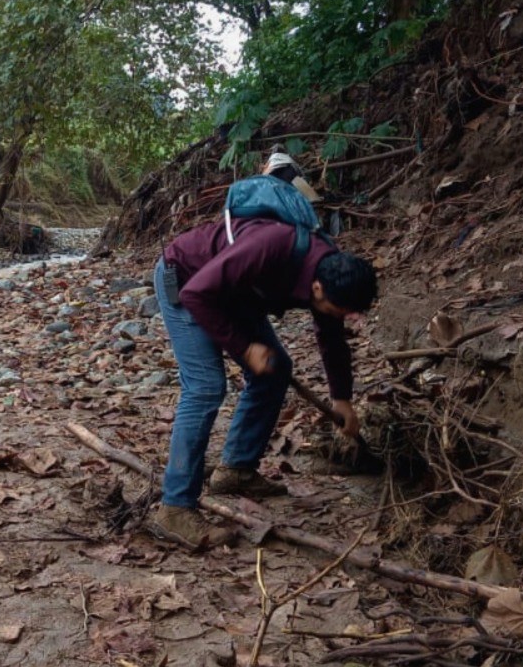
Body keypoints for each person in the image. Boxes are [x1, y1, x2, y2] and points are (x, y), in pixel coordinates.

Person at [149, 196, 377, 550]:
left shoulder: (331, 270)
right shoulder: (269, 247)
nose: (337, 317)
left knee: (276, 370)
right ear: (317, 288)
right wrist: (244, 347)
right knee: (206, 387)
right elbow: (196, 294)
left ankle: (236, 469)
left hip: (235, 292)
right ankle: (174, 508)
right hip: (186, 279)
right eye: (336, 310)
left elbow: (332, 338)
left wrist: (342, 398)